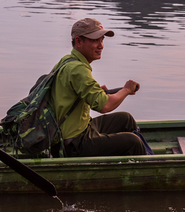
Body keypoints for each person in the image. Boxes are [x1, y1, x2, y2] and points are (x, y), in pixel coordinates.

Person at [51, 17, 150, 157]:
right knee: (133, 142)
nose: (101, 45)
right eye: (94, 40)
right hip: (73, 144)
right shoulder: (78, 69)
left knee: (126, 119)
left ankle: (123, 164)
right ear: (78, 41)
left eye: (101, 40)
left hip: (81, 129)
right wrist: (126, 90)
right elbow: (105, 106)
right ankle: (141, 173)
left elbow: (76, 96)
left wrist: (99, 93)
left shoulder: (67, 61)